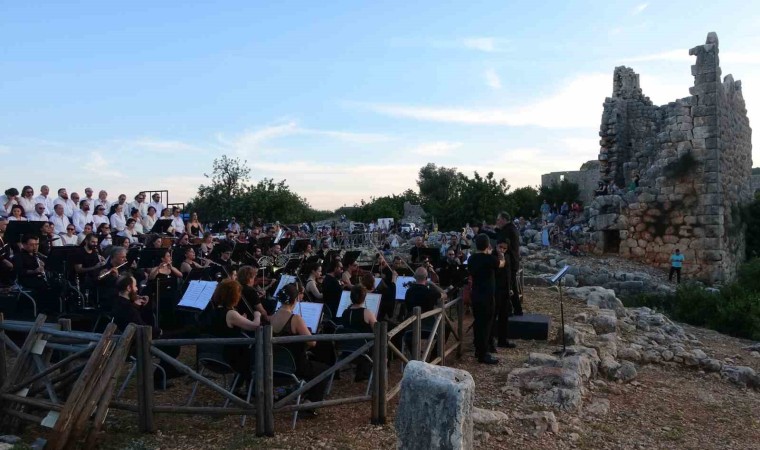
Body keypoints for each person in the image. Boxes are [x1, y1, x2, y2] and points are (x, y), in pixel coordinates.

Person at [270, 283, 331, 410]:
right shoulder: (295, 318)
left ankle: (303, 393)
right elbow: (312, 343)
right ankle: (310, 402)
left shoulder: (273, 317)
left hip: (276, 364)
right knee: (324, 369)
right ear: (295, 299)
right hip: (295, 366)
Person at [203, 279, 261, 379]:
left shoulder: (214, 310)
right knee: (256, 354)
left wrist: (241, 319)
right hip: (229, 356)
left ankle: (237, 385)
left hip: (213, 353)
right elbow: (254, 326)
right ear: (234, 296)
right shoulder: (231, 313)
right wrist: (257, 315)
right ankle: (249, 385)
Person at [468, 233, 506, 365]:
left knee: (478, 323)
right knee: (486, 325)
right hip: (487, 297)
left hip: (475, 295)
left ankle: (478, 350)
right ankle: (483, 354)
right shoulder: (489, 259)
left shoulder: (472, 258)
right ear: (488, 245)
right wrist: (501, 254)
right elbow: (501, 264)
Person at [341, 284, 377, 381]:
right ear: (364, 298)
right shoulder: (367, 313)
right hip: (365, 350)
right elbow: (378, 331)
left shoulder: (345, 312)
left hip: (347, 349)